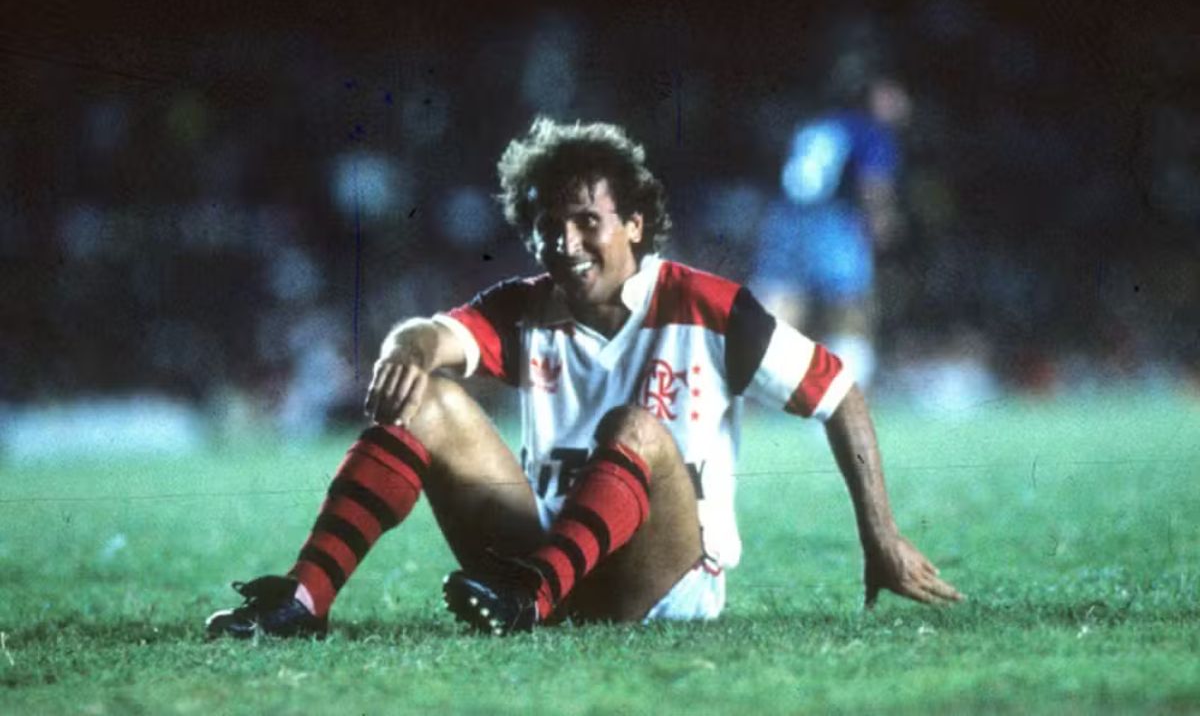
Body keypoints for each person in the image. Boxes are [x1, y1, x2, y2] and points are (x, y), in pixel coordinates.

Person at [205, 117, 960, 639]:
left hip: (664, 584)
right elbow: (432, 333)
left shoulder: (710, 306)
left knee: (632, 428)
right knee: (426, 399)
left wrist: (882, 537)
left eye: (585, 221)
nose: (563, 243)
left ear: (634, 224)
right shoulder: (526, 307)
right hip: (542, 556)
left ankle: (533, 594)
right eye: (546, 225)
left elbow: (839, 394)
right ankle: (304, 602)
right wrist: (405, 348)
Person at [751, 73, 911, 388]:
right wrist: (881, 221)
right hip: (833, 221)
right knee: (850, 310)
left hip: (785, 217)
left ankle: (753, 391)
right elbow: (873, 184)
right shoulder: (871, 132)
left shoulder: (815, 125)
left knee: (778, 310)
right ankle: (842, 397)